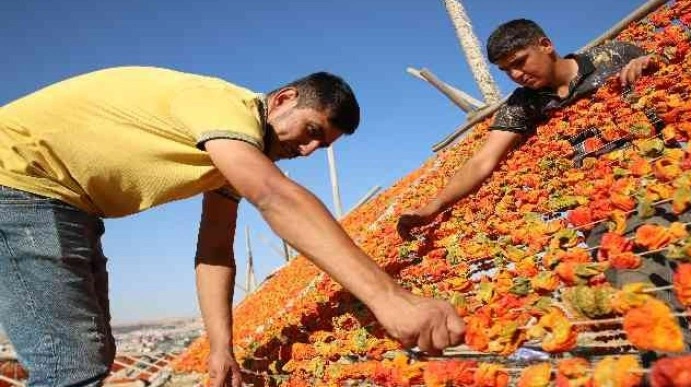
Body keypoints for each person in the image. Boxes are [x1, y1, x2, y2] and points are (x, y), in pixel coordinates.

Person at [0, 67, 465, 386]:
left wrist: (222, 347)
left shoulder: (227, 159)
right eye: (310, 132)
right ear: (283, 99)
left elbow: (216, 250)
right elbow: (273, 195)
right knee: (71, 366)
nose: (306, 152)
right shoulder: (227, 107)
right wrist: (390, 299)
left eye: (319, 147)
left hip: (62, 203)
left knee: (91, 355)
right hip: (18, 181)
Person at [398, 19, 656, 239]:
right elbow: (482, 161)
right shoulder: (522, 103)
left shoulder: (613, 56)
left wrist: (652, 63)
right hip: (593, 197)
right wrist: (432, 207)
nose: (516, 75)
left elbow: (680, 65)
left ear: (546, 45)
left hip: (652, 164)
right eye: (506, 70)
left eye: (520, 62)